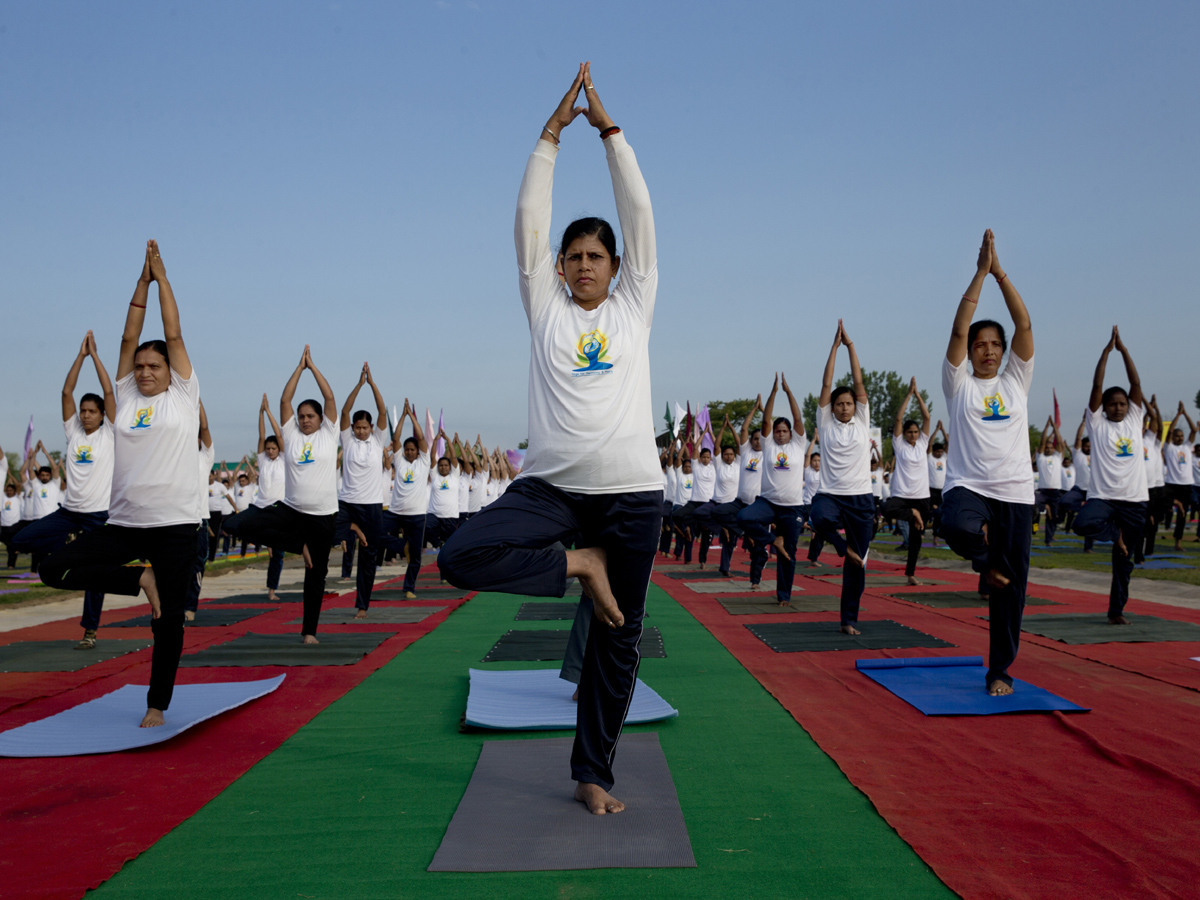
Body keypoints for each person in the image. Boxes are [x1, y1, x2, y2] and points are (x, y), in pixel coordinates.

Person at [438, 64, 660, 816]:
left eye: (598, 257)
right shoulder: (546, 307)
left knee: (617, 640)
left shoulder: (634, 305)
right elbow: (530, 220)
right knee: (459, 555)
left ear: (617, 268)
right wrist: (550, 137)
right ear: (559, 269)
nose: (586, 265)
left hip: (631, 493)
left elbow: (640, 214)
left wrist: (612, 134)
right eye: (575, 258)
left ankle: (593, 772)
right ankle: (578, 565)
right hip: (553, 492)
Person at [40, 240, 201, 727]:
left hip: (175, 526)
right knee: (54, 569)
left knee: (168, 622)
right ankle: (138, 579)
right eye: (140, 367)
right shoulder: (126, 395)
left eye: (155, 366)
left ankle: (157, 705)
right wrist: (140, 283)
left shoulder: (184, 394)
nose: (146, 371)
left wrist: (162, 279)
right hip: (125, 524)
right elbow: (129, 337)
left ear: (171, 370)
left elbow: (171, 332)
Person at [938, 230, 1035, 697]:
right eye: (981, 344)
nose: (989, 349)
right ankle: (983, 562)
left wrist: (1001, 273)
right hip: (969, 488)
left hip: (1015, 494)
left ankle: (1000, 670)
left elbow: (1026, 326)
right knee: (953, 522)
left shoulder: (1017, 379)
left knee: (1011, 592)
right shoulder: (959, 384)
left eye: (996, 344)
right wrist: (980, 273)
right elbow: (959, 330)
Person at [9, 334, 115, 646]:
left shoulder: (108, 433)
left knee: (97, 575)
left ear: (102, 415)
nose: (84, 415)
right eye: (82, 411)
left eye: (91, 411)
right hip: (68, 514)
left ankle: (90, 630)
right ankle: (68, 558)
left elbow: (109, 390)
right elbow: (66, 391)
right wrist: (79, 357)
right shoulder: (74, 432)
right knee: (19, 539)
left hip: (98, 516)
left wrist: (95, 357)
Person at [236, 346, 339, 643]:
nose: (305, 420)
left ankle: (309, 632)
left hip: (323, 516)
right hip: (292, 512)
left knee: (316, 575)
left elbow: (330, 398)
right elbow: (285, 400)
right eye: (302, 416)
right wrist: (299, 368)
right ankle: (297, 544)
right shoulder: (291, 435)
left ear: (320, 419)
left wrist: (313, 367)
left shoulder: (329, 434)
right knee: (240, 524)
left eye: (310, 416)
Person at [1067, 328, 1148, 623]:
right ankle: (1115, 535)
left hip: (1135, 500)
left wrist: (1124, 352)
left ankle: (1116, 612)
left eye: (1122, 404)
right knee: (1081, 524)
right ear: (1104, 407)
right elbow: (1097, 384)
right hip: (1103, 498)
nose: (1117, 408)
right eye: (1112, 404)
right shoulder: (1097, 424)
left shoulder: (1135, 419)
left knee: (1124, 563)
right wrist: (1105, 353)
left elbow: (1135, 382)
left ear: (1130, 407)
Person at [809, 322, 874, 632]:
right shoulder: (826, 424)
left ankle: (849, 619)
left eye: (849, 403)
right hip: (831, 495)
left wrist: (852, 347)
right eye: (840, 404)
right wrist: (834, 348)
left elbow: (859, 381)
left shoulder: (862, 419)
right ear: (832, 408)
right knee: (818, 516)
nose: (845, 407)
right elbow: (826, 383)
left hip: (861, 499)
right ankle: (838, 544)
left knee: (857, 565)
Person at [737, 372, 808, 603]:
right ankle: (771, 540)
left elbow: (798, 420)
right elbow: (766, 420)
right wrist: (774, 393)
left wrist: (788, 393)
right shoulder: (768, 446)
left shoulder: (798, 444)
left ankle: (783, 595)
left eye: (783, 431)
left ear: (790, 433)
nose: (779, 433)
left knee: (789, 553)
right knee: (744, 517)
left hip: (792, 508)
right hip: (767, 503)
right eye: (777, 431)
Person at [333, 362, 388, 618]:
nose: (362, 431)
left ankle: (362, 605)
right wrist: (359, 384)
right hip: (347, 503)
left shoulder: (378, 440)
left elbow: (382, 410)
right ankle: (352, 529)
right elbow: (344, 410)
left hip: (372, 505)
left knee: (368, 557)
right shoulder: (347, 439)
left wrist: (373, 384)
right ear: (353, 427)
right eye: (358, 427)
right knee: (331, 529)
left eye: (366, 427)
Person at [222, 395, 287, 598]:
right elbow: (261, 436)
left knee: (278, 555)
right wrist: (260, 413)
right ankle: (261, 540)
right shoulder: (263, 460)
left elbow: (278, 434)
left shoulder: (283, 459)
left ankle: (272, 590)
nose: (269, 451)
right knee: (231, 525)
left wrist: (269, 412)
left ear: (278, 449)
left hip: (279, 509)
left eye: (273, 448)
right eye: (267, 449)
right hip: (260, 507)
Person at [883, 377, 932, 586]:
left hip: (921, 496)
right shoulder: (899, 445)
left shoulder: (922, 443)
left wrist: (918, 396)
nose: (913, 434)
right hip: (903, 496)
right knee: (885, 509)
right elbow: (898, 419)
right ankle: (912, 513)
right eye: (909, 432)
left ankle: (910, 574)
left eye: (915, 431)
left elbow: (927, 418)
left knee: (916, 539)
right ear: (904, 434)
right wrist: (908, 396)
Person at [1163, 402, 1197, 551]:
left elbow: (1194, 430)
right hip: (1171, 484)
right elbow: (1169, 431)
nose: (1180, 438)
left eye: (1181, 436)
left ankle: (1178, 542)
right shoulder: (1169, 448)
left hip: (1186, 484)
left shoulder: (1187, 447)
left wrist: (1186, 414)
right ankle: (1172, 508)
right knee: (1164, 505)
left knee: (1182, 516)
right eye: (1177, 436)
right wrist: (1178, 415)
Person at [425, 430, 462, 550]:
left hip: (450, 515)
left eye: (446, 465)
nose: (443, 467)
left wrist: (448, 440)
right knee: (427, 526)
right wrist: (435, 440)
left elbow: (454, 456)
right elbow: (432, 457)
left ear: (450, 467)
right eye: (441, 465)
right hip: (434, 514)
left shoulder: (454, 476)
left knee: (451, 543)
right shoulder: (435, 476)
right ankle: (437, 543)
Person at [1140, 397, 1165, 560]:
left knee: (1154, 521)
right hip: (1142, 487)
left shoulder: (1151, 441)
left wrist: (1150, 406)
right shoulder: (1133, 441)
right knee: (1144, 521)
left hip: (1156, 487)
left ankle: (1149, 549)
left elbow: (1156, 422)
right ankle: (1139, 551)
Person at [1035, 416, 1066, 546]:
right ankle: (1044, 508)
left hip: (1055, 491)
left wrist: (1055, 429)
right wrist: (1047, 428)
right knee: (1034, 505)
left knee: (1053, 517)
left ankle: (1049, 539)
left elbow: (1059, 443)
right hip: (1042, 491)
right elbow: (1042, 443)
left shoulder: (1058, 457)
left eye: (1050, 447)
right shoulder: (1040, 457)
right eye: (1046, 448)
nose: (1048, 449)